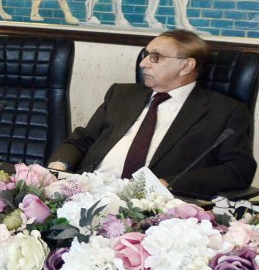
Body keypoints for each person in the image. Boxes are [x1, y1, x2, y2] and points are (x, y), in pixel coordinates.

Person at [47, 29, 256, 196]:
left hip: (151, 205)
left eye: (155, 57)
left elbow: (238, 169)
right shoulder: (121, 94)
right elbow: (83, 139)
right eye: (146, 55)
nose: (143, 63)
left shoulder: (223, 111)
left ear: (186, 66)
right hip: (87, 191)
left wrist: (170, 183)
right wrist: (59, 166)